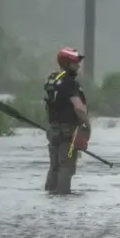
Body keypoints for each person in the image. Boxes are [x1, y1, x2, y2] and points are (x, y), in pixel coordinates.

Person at [43, 47, 91, 195]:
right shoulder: (70, 83)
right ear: (66, 63)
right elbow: (79, 109)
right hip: (67, 132)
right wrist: (87, 126)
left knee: (55, 166)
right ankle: (63, 199)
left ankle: (50, 195)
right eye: (75, 62)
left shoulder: (53, 80)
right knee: (66, 167)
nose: (78, 65)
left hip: (53, 131)